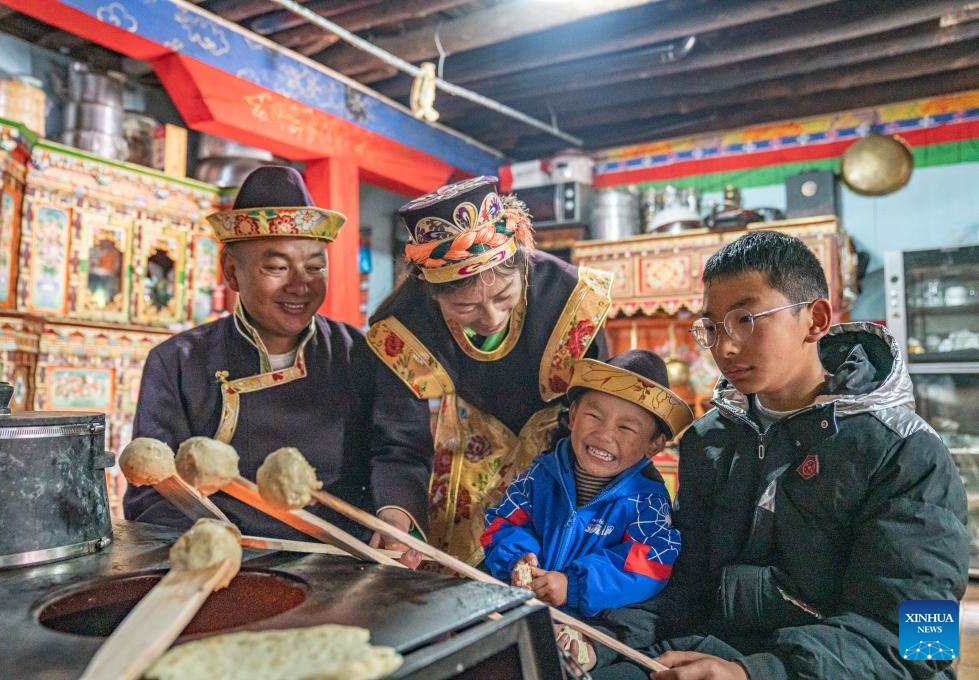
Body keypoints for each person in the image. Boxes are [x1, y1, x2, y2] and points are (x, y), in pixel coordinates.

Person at [574, 230, 969, 680]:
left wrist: (753, 672)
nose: (725, 348)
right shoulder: (711, 440)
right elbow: (681, 580)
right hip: (718, 650)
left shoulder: (906, 452)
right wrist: (601, 642)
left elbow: (923, 643)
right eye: (713, 326)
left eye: (746, 319)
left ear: (816, 319)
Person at [124, 166, 428, 548]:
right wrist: (207, 547)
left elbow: (399, 451)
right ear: (231, 272)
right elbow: (152, 491)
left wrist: (395, 516)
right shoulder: (177, 361)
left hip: (343, 559)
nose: (300, 284)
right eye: (277, 267)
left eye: (315, 266)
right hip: (224, 562)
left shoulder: (363, 354)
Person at [366, 175, 613, 565]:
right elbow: (401, 442)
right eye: (465, 308)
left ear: (522, 266)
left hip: (560, 481)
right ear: (433, 293)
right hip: (460, 492)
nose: (492, 316)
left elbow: (599, 419)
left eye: (504, 296)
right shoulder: (407, 324)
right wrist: (396, 518)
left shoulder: (570, 301)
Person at [481, 349, 694, 619]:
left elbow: (650, 564)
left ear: (653, 445)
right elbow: (503, 523)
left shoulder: (646, 501)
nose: (604, 434)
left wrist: (574, 585)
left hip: (589, 629)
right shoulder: (540, 476)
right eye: (594, 416)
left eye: (626, 428)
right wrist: (518, 558)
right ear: (573, 417)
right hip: (524, 610)